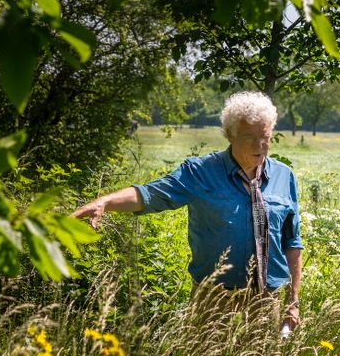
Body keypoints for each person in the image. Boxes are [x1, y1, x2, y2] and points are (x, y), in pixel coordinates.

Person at [72, 91, 303, 330]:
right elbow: (152, 194)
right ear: (230, 135)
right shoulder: (200, 172)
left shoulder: (284, 177)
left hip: (267, 300)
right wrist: (106, 202)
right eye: (249, 137)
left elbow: (292, 242)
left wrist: (293, 301)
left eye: (265, 137)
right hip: (214, 298)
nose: (260, 145)